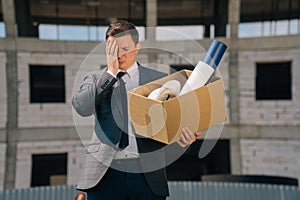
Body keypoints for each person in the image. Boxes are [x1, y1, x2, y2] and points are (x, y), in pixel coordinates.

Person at [72, 20, 200, 200]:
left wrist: (182, 138)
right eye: (114, 49)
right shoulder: (96, 79)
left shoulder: (159, 80)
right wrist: (110, 73)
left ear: (137, 47)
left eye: (125, 49)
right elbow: (81, 107)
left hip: (146, 174)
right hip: (104, 174)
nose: (119, 55)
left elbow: (171, 124)